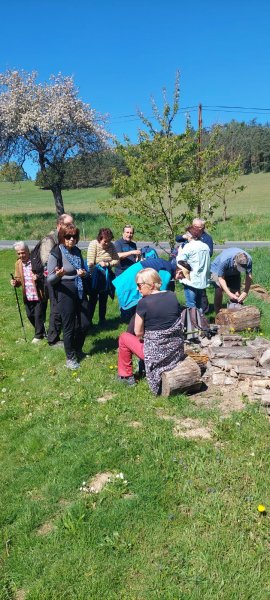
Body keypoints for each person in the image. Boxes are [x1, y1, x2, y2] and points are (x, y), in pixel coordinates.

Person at [117, 268, 184, 393]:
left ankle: (126, 376)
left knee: (124, 338)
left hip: (155, 353)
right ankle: (142, 367)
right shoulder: (172, 296)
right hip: (175, 351)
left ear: (151, 285)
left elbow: (138, 332)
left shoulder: (143, 303)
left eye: (139, 285)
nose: (137, 289)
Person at [47, 224, 90, 370]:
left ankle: (77, 348)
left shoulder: (77, 251)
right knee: (69, 326)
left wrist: (84, 273)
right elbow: (50, 280)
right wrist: (58, 275)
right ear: (62, 237)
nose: (71, 239)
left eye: (74, 236)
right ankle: (70, 358)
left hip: (79, 288)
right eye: (68, 236)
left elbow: (83, 269)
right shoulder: (56, 252)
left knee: (84, 323)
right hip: (65, 291)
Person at [40, 213, 74, 347]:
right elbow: (46, 261)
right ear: (59, 225)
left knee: (62, 308)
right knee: (56, 308)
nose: (71, 226)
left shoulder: (66, 236)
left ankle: (64, 332)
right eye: (67, 224)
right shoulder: (50, 239)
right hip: (54, 279)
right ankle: (53, 339)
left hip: (65, 279)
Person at [10, 242, 47, 343]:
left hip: (38, 293)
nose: (21, 255)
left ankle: (38, 336)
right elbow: (18, 278)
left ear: (28, 251)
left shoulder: (35, 261)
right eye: (19, 253)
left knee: (38, 315)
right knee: (30, 315)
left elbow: (44, 273)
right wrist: (15, 282)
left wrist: (38, 277)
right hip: (27, 294)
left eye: (23, 253)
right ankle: (41, 331)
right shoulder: (18, 263)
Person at [176, 218, 213, 312]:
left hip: (191, 279)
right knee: (199, 304)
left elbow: (181, 262)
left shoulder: (189, 246)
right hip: (201, 278)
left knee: (191, 304)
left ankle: (193, 325)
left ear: (190, 235)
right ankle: (200, 323)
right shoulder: (205, 247)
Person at [87, 228, 119, 325]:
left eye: (109, 241)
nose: (107, 243)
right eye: (105, 241)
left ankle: (102, 320)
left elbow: (117, 260)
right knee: (92, 299)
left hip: (106, 275)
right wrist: (99, 264)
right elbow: (90, 262)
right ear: (100, 239)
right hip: (94, 275)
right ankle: (89, 321)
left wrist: (108, 264)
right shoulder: (93, 244)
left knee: (103, 299)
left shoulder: (112, 246)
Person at [210, 248, 253, 314]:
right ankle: (218, 315)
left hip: (234, 271)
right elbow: (221, 278)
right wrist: (229, 293)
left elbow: (249, 276)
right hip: (216, 270)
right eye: (240, 268)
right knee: (219, 289)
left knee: (237, 293)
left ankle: (235, 315)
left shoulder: (248, 260)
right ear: (235, 262)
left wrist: (245, 292)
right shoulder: (224, 260)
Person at [114, 225, 141, 322]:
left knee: (133, 295)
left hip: (132, 274)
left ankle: (132, 317)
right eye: (127, 232)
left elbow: (135, 258)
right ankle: (124, 317)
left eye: (131, 233)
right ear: (123, 233)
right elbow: (117, 256)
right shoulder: (118, 243)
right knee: (123, 295)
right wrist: (131, 252)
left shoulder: (133, 244)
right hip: (121, 273)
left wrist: (139, 258)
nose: (129, 235)